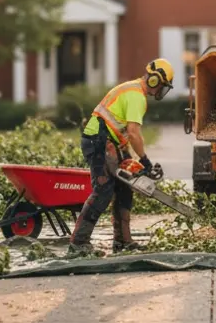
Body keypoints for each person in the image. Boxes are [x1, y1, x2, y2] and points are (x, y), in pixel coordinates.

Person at [69, 58, 176, 254]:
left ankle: (123, 241)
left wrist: (133, 163)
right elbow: (134, 133)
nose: (161, 90)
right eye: (162, 85)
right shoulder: (136, 95)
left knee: (125, 188)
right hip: (98, 140)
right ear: (154, 80)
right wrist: (145, 161)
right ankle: (78, 243)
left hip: (111, 142)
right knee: (103, 190)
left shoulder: (133, 90)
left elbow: (124, 134)